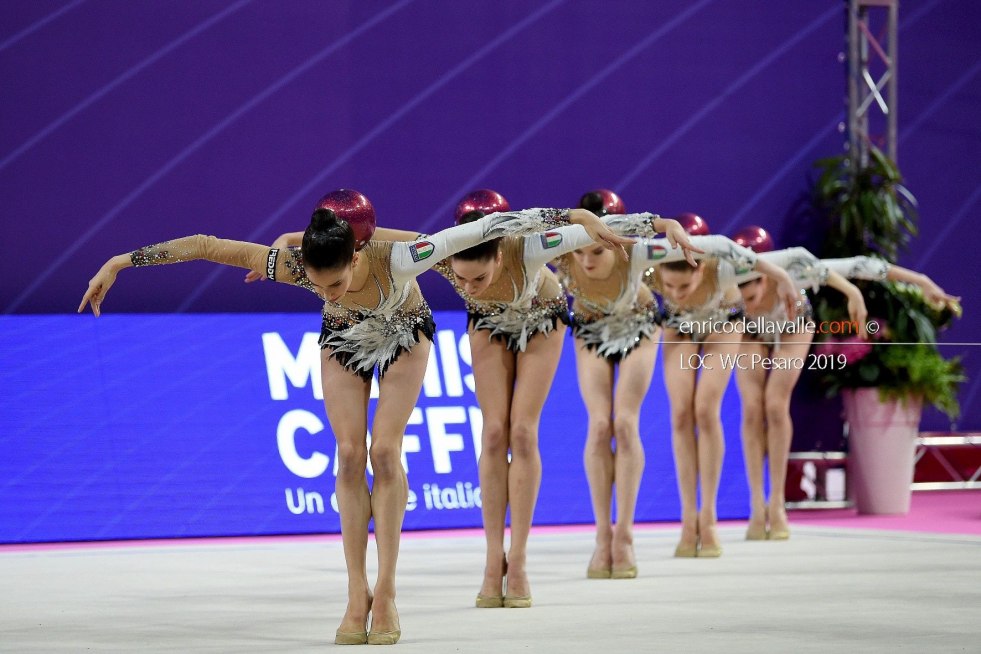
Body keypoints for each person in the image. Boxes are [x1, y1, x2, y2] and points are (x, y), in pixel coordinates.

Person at [78, 196, 626, 644]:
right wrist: (119, 262)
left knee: (385, 451)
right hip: (343, 340)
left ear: (357, 255)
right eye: (319, 287)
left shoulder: (403, 258)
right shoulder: (298, 267)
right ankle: (355, 591)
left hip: (406, 333)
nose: (327, 292)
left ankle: (386, 591)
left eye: (335, 284)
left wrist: (574, 216)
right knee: (346, 454)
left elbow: (488, 227)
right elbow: (206, 245)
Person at [250, 192, 635, 609]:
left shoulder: (527, 249)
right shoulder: (446, 252)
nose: (466, 285)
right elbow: (376, 238)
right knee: (493, 433)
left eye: (477, 278)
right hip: (488, 322)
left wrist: (649, 225)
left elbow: (572, 229)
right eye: (462, 280)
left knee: (523, 432)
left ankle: (520, 559)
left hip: (542, 318)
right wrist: (299, 238)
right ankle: (493, 560)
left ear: (499, 254)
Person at [733, 235, 960, 540]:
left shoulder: (795, 268)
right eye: (741, 299)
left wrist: (922, 281)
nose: (749, 304)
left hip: (793, 323)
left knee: (775, 404)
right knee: (751, 408)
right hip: (750, 331)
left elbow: (859, 266)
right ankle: (756, 504)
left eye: (751, 296)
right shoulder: (729, 275)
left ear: (766, 275)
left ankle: (776, 504)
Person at [553, 190, 698, 579]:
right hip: (590, 329)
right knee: (600, 424)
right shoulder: (559, 250)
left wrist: (670, 225)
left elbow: (689, 237)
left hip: (639, 326)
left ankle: (626, 535)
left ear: (616, 242)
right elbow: (519, 235)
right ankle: (603, 535)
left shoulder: (636, 251)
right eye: (580, 251)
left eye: (597, 251)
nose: (586, 260)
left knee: (625, 422)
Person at [643, 228, 799, 558]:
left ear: (701, 269)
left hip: (722, 324)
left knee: (705, 409)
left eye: (684, 286)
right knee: (681, 414)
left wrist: (784, 277)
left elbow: (787, 259)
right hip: (679, 328)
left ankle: (710, 516)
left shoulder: (724, 266)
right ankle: (689, 519)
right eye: (669, 287)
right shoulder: (650, 264)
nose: (676, 293)